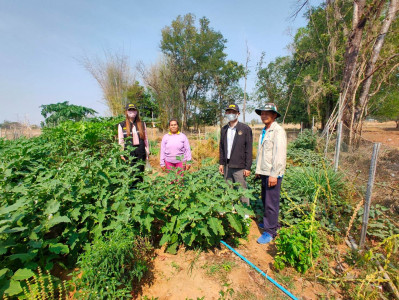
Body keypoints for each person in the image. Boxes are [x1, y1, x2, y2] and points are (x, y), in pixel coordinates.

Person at [254, 103, 287, 244]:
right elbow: (262, 154)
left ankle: (270, 231)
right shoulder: (265, 130)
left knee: (271, 202)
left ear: (274, 116)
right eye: (262, 113)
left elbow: (279, 154)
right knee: (265, 199)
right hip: (264, 171)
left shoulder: (278, 131)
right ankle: (270, 223)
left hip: (273, 173)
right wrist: (258, 171)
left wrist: (274, 174)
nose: (264, 115)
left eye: (267, 113)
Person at [219, 104, 253, 205]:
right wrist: (221, 163)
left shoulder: (245, 129)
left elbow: (249, 149)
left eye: (233, 112)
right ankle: (229, 208)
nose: (231, 114)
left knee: (242, 189)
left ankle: (245, 212)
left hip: (239, 165)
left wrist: (248, 167)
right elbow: (221, 147)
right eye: (229, 112)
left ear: (238, 114)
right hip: (227, 165)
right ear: (226, 114)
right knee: (228, 187)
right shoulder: (224, 129)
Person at [118, 103, 149, 183]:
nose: (132, 112)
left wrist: (147, 152)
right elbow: (121, 141)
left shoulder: (142, 124)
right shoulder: (121, 125)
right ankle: (132, 190)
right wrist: (121, 154)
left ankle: (140, 189)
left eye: (134, 110)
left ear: (136, 111)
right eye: (130, 110)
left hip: (140, 151)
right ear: (126, 112)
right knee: (131, 172)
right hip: (129, 152)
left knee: (140, 172)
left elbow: (146, 140)